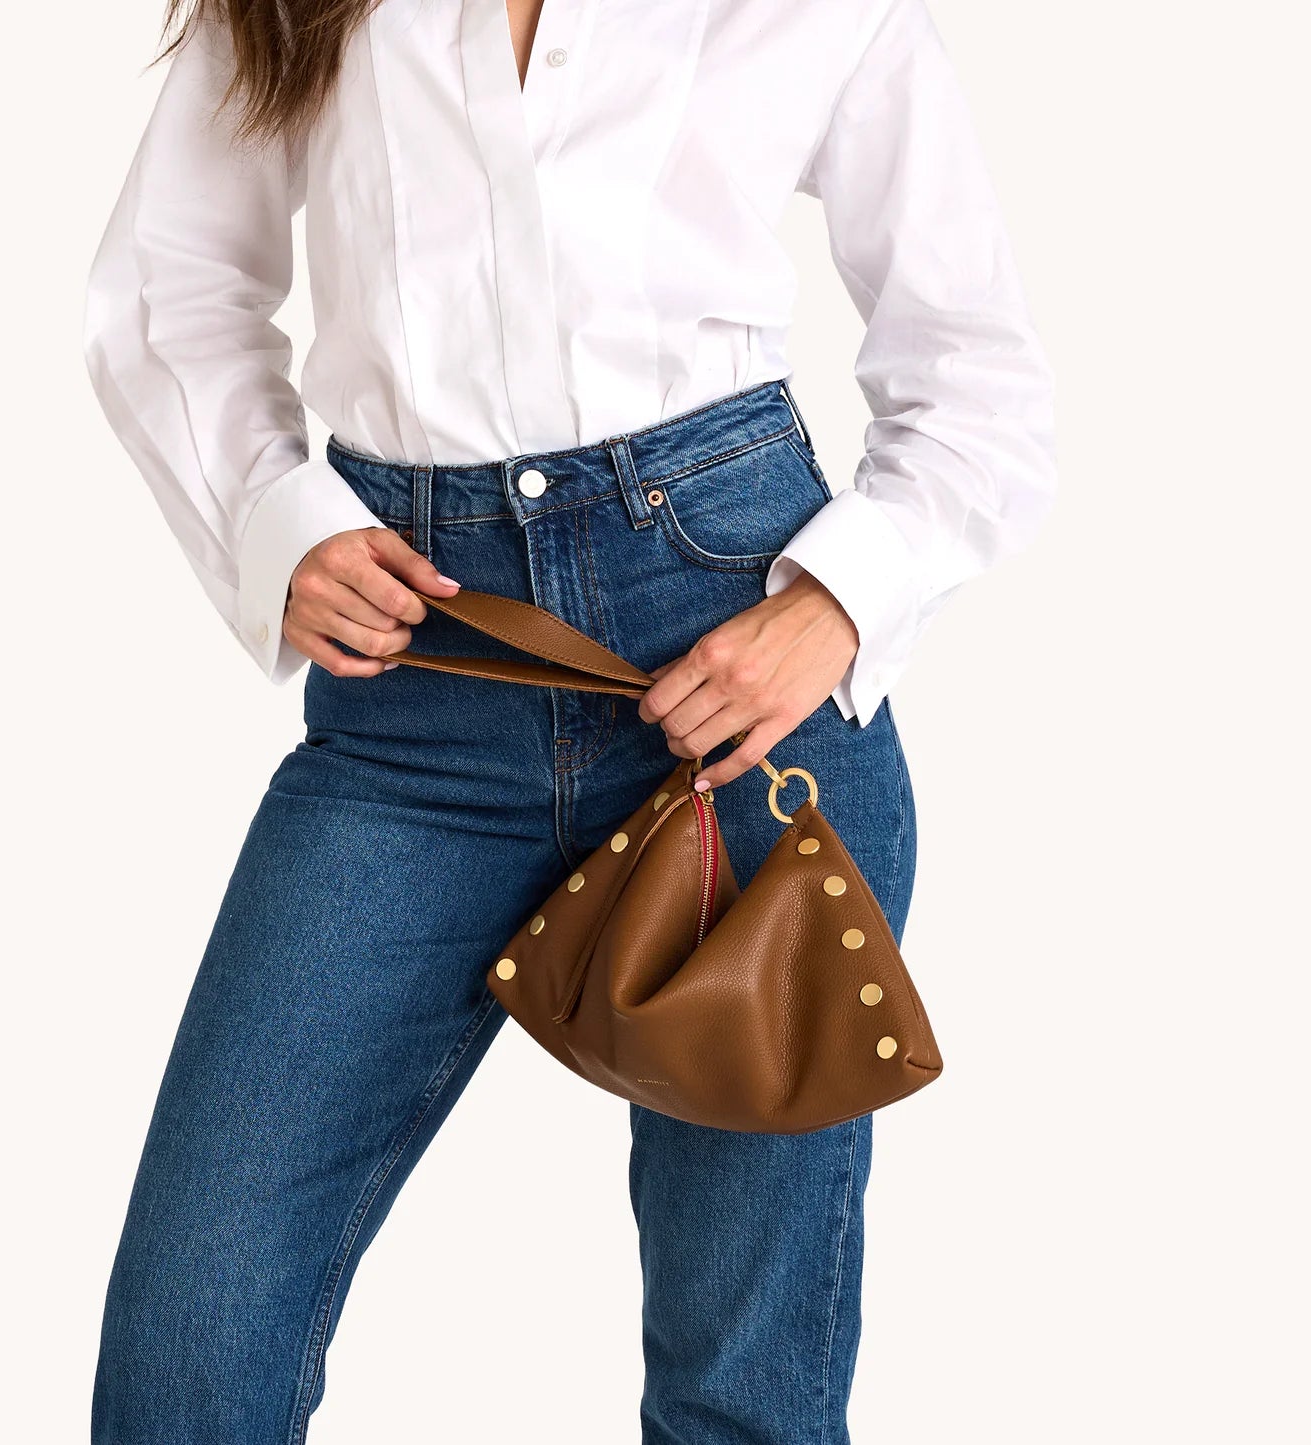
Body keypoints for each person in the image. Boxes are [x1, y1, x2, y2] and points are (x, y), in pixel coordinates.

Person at [83, 1, 1055, 1440]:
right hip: (418, 693)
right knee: (192, 1333)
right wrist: (275, 522)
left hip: (739, 697)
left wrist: (838, 603)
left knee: (742, 1389)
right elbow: (166, 287)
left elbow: (975, 371)